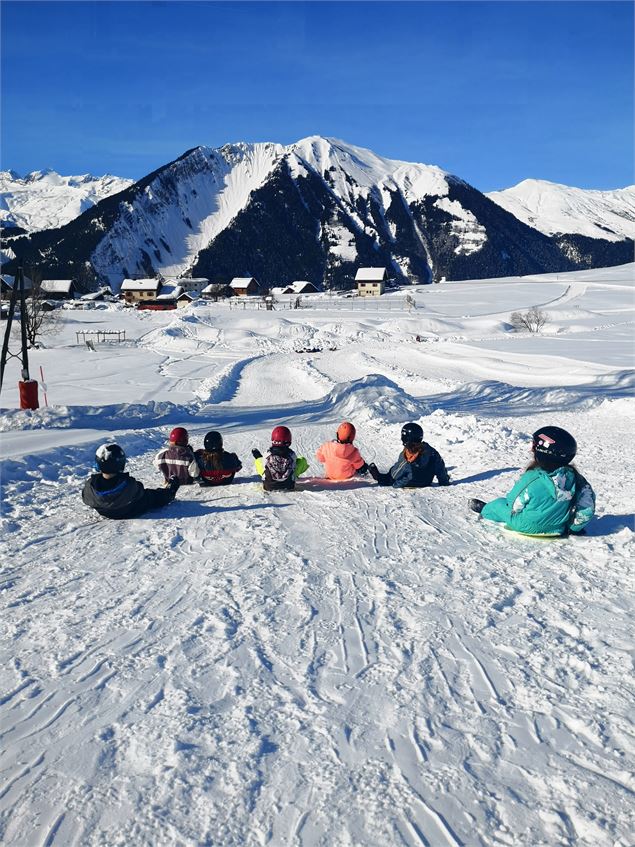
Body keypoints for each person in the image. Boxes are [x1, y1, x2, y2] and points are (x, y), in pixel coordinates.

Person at [468, 426, 595, 536]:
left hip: (526, 525)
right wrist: (574, 527)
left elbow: (513, 503)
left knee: (499, 504)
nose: (531, 450)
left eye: (533, 447)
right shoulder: (577, 479)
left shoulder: (532, 478)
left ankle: (486, 510)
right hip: (558, 527)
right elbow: (587, 506)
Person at [82, 443, 179, 519]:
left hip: (106, 512)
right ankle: (170, 491)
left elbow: (86, 498)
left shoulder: (90, 486)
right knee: (150, 497)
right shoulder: (128, 484)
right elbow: (139, 489)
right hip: (128, 510)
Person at [368, 422, 450, 488]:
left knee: (399, 468)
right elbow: (440, 468)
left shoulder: (408, 453)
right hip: (426, 482)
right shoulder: (432, 452)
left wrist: (390, 479)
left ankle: (381, 478)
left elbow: (396, 473)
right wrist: (444, 481)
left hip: (409, 482)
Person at [252, 426, 308, 491]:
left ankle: (258, 458)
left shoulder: (267, 454)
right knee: (301, 460)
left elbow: (264, 466)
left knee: (260, 462)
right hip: (289, 485)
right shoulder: (292, 454)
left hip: (269, 486)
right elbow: (294, 465)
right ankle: (292, 477)